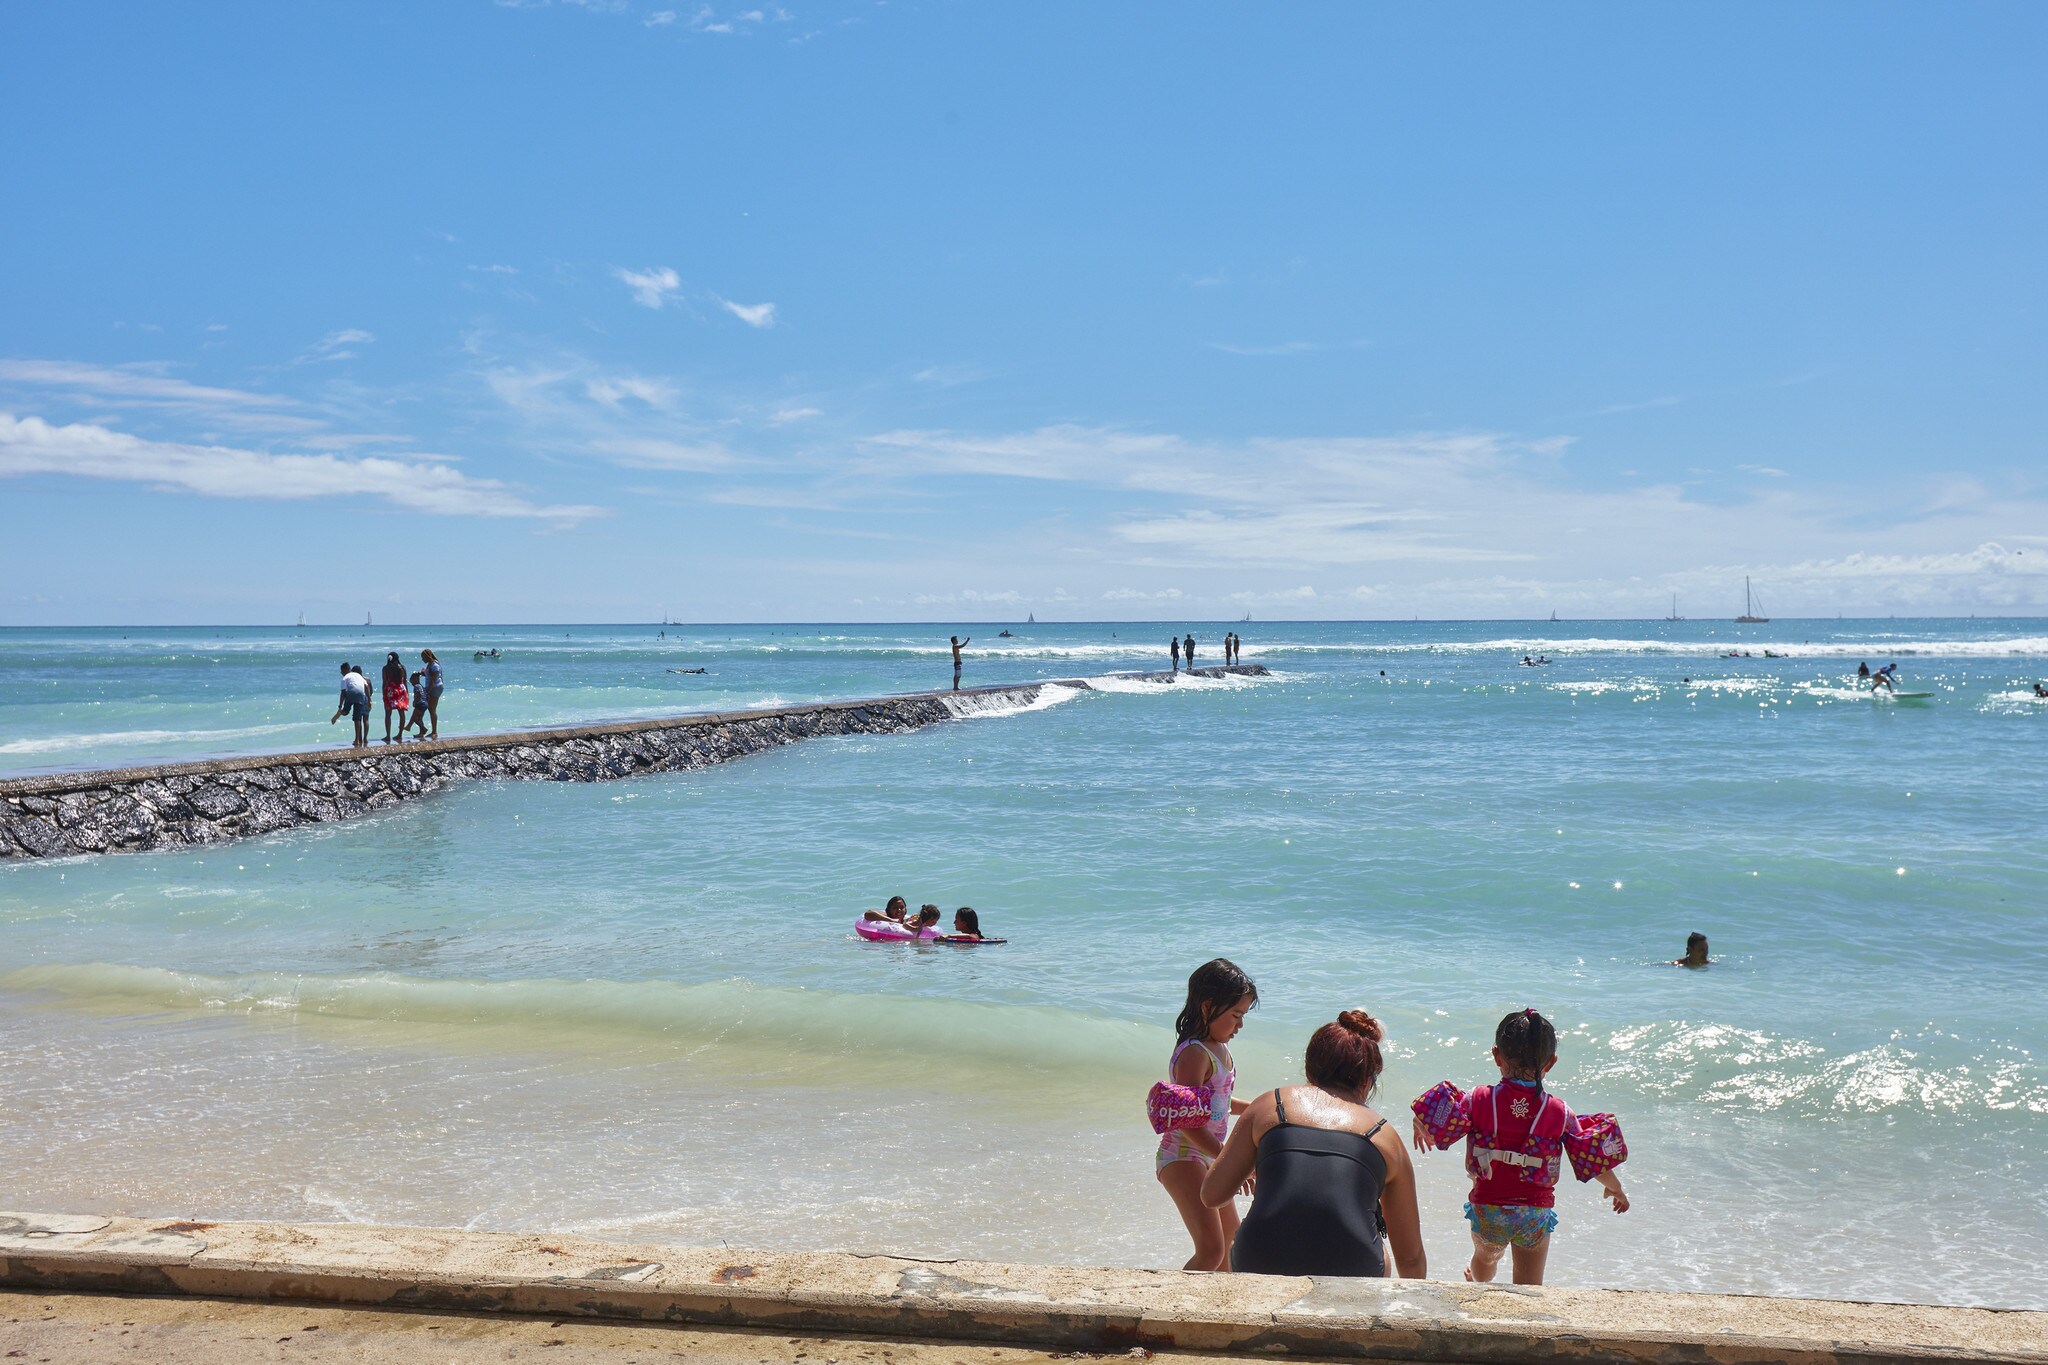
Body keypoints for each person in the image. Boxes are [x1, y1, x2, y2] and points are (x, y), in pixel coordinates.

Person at [1410, 1009, 1630, 1286]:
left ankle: (1478, 1281)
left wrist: (1418, 1122)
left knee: (1485, 1260)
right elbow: (1592, 1157)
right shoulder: (1560, 1112)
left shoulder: (1476, 1100)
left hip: (1488, 1209)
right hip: (1533, 1214)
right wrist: (1615, 1187)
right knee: (1528, 1284)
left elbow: (1433, 1117)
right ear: (1550, 1063)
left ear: (1496, 1056)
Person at [1204, 1010, 1425, 1279]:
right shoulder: (1385, 1135)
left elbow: (1212, 1195)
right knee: (1385, 1253)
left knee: (1241, 1238)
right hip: (1353, 1270)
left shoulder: (1270, 1104)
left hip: (1259, 1259)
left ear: (1309, 1067)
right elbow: (1411, 1257)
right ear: (1368, 1081)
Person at [1156, 959, 1256, 1272]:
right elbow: (1187, 1121)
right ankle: (1171, 1309)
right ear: (1208, 1006)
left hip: (1208, 1159)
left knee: (1231, 1242)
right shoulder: (1194, 1053)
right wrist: (1229, 1161)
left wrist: (1259, 1108)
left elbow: (1218, 1104)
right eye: (1235, 1015)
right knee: (1211, 1250)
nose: (1240, 1025)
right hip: (1182, 1157)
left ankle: (1218, 1310)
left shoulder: (1219, 1049)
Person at [329, 661, 371, 749]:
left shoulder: (345, 678)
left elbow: (343, 693)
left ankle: (340, 712)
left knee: (346, 711)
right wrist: (369, 700)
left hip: (351, 693)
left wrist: (340, 706)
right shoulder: (358, 675)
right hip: (361, 694)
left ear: (344, 671)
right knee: (357, 718)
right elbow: (366, 686)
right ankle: (357, 740)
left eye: (342, 672)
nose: (342, 673)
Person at [379, 652, 410, 743]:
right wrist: (406, 693)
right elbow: (404, 681)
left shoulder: (386, 668)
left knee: (388, 714)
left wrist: (383, 693)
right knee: (401, 713)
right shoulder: (402, 668)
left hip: (391, 691)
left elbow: (384, 682)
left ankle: (388, 736)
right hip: (401, 690)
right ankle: (400, 734)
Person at [416, 648, 443, 740]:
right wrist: (423, 674)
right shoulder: (430, 665)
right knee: (426, 709)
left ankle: (434, 731)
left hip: (435, 688)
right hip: (431, 687)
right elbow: (430, 676)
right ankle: (423, 731)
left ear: (427, 656)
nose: (422, 659)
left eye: (423, 657)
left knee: (432, 709)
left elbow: (434, 681)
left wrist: (427, 691)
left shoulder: (435, 665)